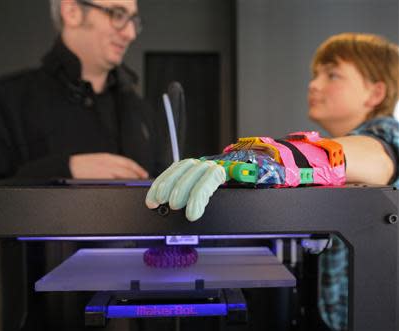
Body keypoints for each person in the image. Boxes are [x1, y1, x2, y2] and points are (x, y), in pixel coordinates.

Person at [146, 32, 398, 331]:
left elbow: (376, 155)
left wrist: (267, 161)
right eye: (314, 75)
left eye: (332, 75)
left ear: (375, 93)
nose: (314, 84)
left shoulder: (386, 132)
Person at [0, 0, 168, 183]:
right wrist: (64, 170)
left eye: (133, 20)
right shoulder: (1, 100)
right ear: (72, 12)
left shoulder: (142, 112)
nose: (130, 33)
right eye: (117, 14)